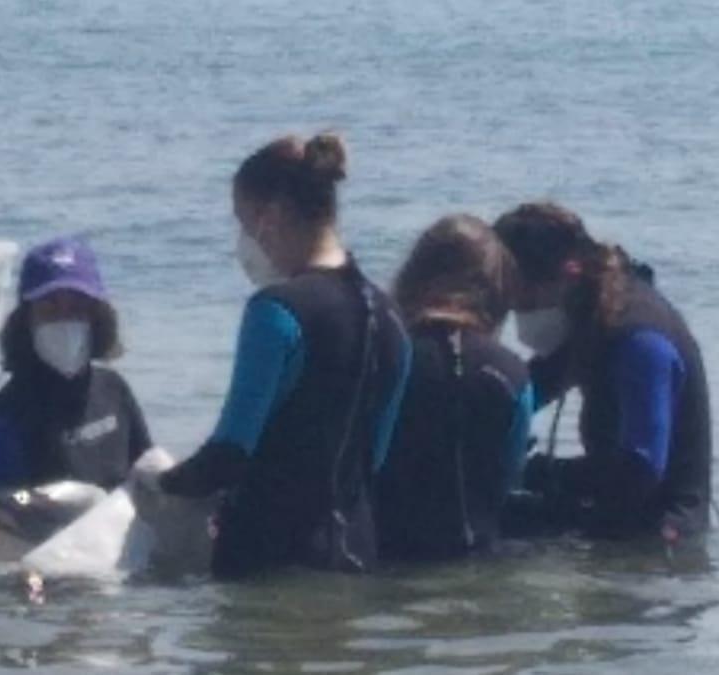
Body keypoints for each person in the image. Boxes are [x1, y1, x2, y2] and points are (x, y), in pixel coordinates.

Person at [152, 133, 413, 580]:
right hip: (355, 554)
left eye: (242, 221)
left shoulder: (276, 312)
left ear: (268, 216)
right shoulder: (391, 317)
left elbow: (228, 455)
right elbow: (377, 457)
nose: (244, 239)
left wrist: (156, 485)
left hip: (269, 556)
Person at [494, 202, 711, 541]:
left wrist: (541, 474)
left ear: (569, 272)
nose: (521, 314)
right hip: (613, 514)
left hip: (657, 539)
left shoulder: (640, 339)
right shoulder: (591, 312)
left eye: (527, 302)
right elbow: (527, 388)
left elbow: (641, 467)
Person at [374, 215, 533, 561]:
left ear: (413, 276)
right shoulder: (511, 370)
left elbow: (366, 456)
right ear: (496, 290)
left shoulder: (388, 354)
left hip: (388, 551)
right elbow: (510, 472)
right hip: (481, 550)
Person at [0, 237, 154, 497]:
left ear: (97, 317)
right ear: (26, 320)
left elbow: (147, 481)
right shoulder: (6, 414)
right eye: (50, 307)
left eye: (77, 307)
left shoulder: (114, 390)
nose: (64, 320)